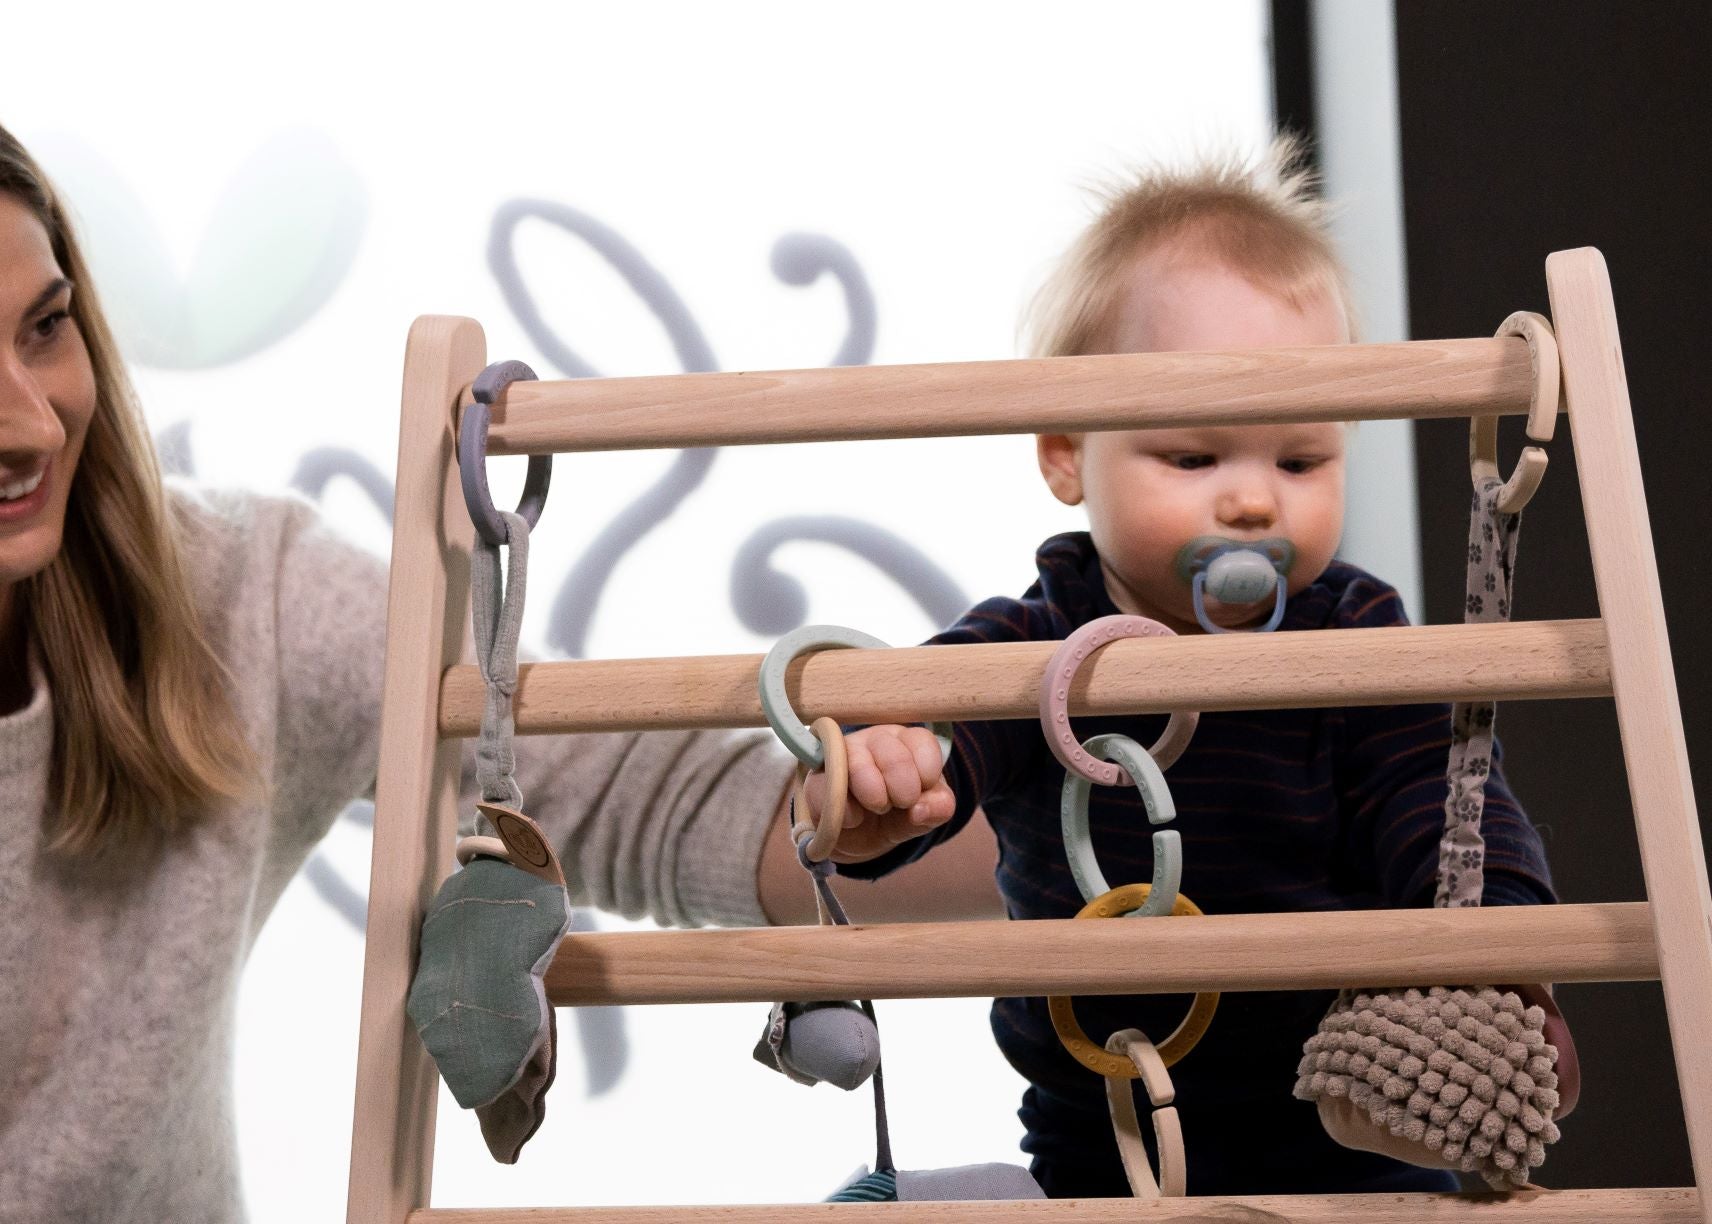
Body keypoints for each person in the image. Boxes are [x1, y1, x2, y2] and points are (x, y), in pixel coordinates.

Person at [0, 123, 1003, 1222]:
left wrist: (908, 804)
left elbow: (641, 798)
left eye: (45, 329)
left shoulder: (237, 606)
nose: (31, 422)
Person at [802, 138, 1557, 1196]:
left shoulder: (1353, 635)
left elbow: (1442, 806)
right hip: (1098, 1141)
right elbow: (940, 730)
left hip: (1359, 1120)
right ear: (1067, 453)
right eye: (1194, 458)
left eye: (1300, 459)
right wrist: (891, 776)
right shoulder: (1038, 639)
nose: (1253, 501)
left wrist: (1499, 954)